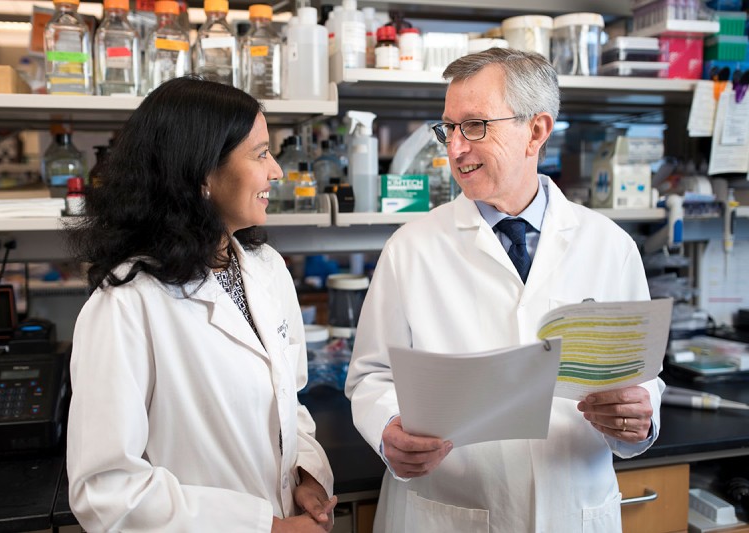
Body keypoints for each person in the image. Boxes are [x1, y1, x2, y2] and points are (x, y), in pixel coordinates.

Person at [345, 48, 664, 532]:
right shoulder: (411, 248)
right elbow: (370, 376)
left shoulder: (610, 246)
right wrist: (388, 429)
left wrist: (641, 415)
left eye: (474, 126)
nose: (454, 149)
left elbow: (640, 376)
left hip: (573, 504)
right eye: (447, 128)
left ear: (535, 130)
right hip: (448, 507)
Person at [65, 76, 336, 532]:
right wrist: (263, 528)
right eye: (260, 153)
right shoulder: (127, 303)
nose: (277, 171)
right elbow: (106, 491)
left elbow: (290, 400)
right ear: (203, 174)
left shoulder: (266, 269)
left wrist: (304, 473)